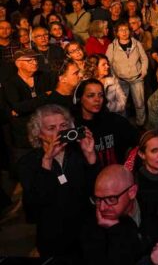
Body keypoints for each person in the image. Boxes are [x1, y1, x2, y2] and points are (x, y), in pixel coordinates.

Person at [18, 104, 98, 259]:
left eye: (63, 126)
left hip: (84, 233)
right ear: (38, 133)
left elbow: (95, 190)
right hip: (53, 237)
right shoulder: (28, 163)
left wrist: (90, 156)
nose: (59, 133)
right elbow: (34, 208)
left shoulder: (78, 153)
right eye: (51, 128)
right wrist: (47, 161)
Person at [80, 164, 157, 265]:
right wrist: (115, 230)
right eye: (98, 199)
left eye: (111, 199)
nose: (102, 208)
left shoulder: (153, 206)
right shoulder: (91, 228)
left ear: (132, 192)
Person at [74, 78, 138, 168]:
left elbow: (137, 142)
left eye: (100, 95)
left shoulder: (115, 121)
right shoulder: (74, 127)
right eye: (91, 95)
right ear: (79, 99)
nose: (97, 99)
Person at [106, 21, 149, 126]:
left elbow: (144, 59)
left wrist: (144, 71)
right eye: (121, 30)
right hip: (121, 80)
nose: (124, 32)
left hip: (137, 78)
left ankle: (140, 124)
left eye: (126, 29)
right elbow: (108, 63)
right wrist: (114, 77)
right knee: (122, 104)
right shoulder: (112, 46)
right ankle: (123, 124)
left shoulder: (137, 44)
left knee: (139, 103)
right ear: (117, 33)